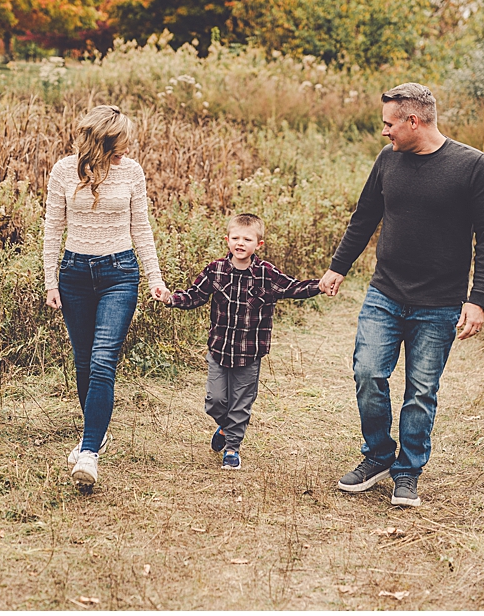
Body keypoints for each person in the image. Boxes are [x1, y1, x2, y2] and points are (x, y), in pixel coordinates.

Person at [321, 82, 484, 508]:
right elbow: (364, 217)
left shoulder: (473, 167)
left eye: (389, 124)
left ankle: (408, 471)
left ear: (413, 121)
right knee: (367, 373)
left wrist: (478, 300)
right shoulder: (387, 159)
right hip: (385, 293)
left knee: (420, 391)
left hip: (440, 303)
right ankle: (378, 455)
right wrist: (338, 267)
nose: (384, 132)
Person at [43, 104, 169, 490]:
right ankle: (94, 435)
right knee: (83, 361)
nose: (127, 148)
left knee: (102, 360)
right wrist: (50, 281)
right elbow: (53, 227)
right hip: (75, 275)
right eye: (121, 141)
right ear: (101, 141)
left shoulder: (132, 171)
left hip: (120, 274)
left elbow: (141, 226)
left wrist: (155, 277)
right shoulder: (64, 171)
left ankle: (89, 453)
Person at [160, 213, 324, 470]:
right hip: (219, 349)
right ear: (227, 240)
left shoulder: (266, 273)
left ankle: (232, 449)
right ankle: (225, 428)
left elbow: (292, 287)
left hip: (249, 353)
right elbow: (195, 295)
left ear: (258, 244)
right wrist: (171, 299)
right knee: (215, 401)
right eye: (235, 238)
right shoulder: (215, 270)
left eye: (247, 239)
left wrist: (320, 286)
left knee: (241, 403)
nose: (240, 243)